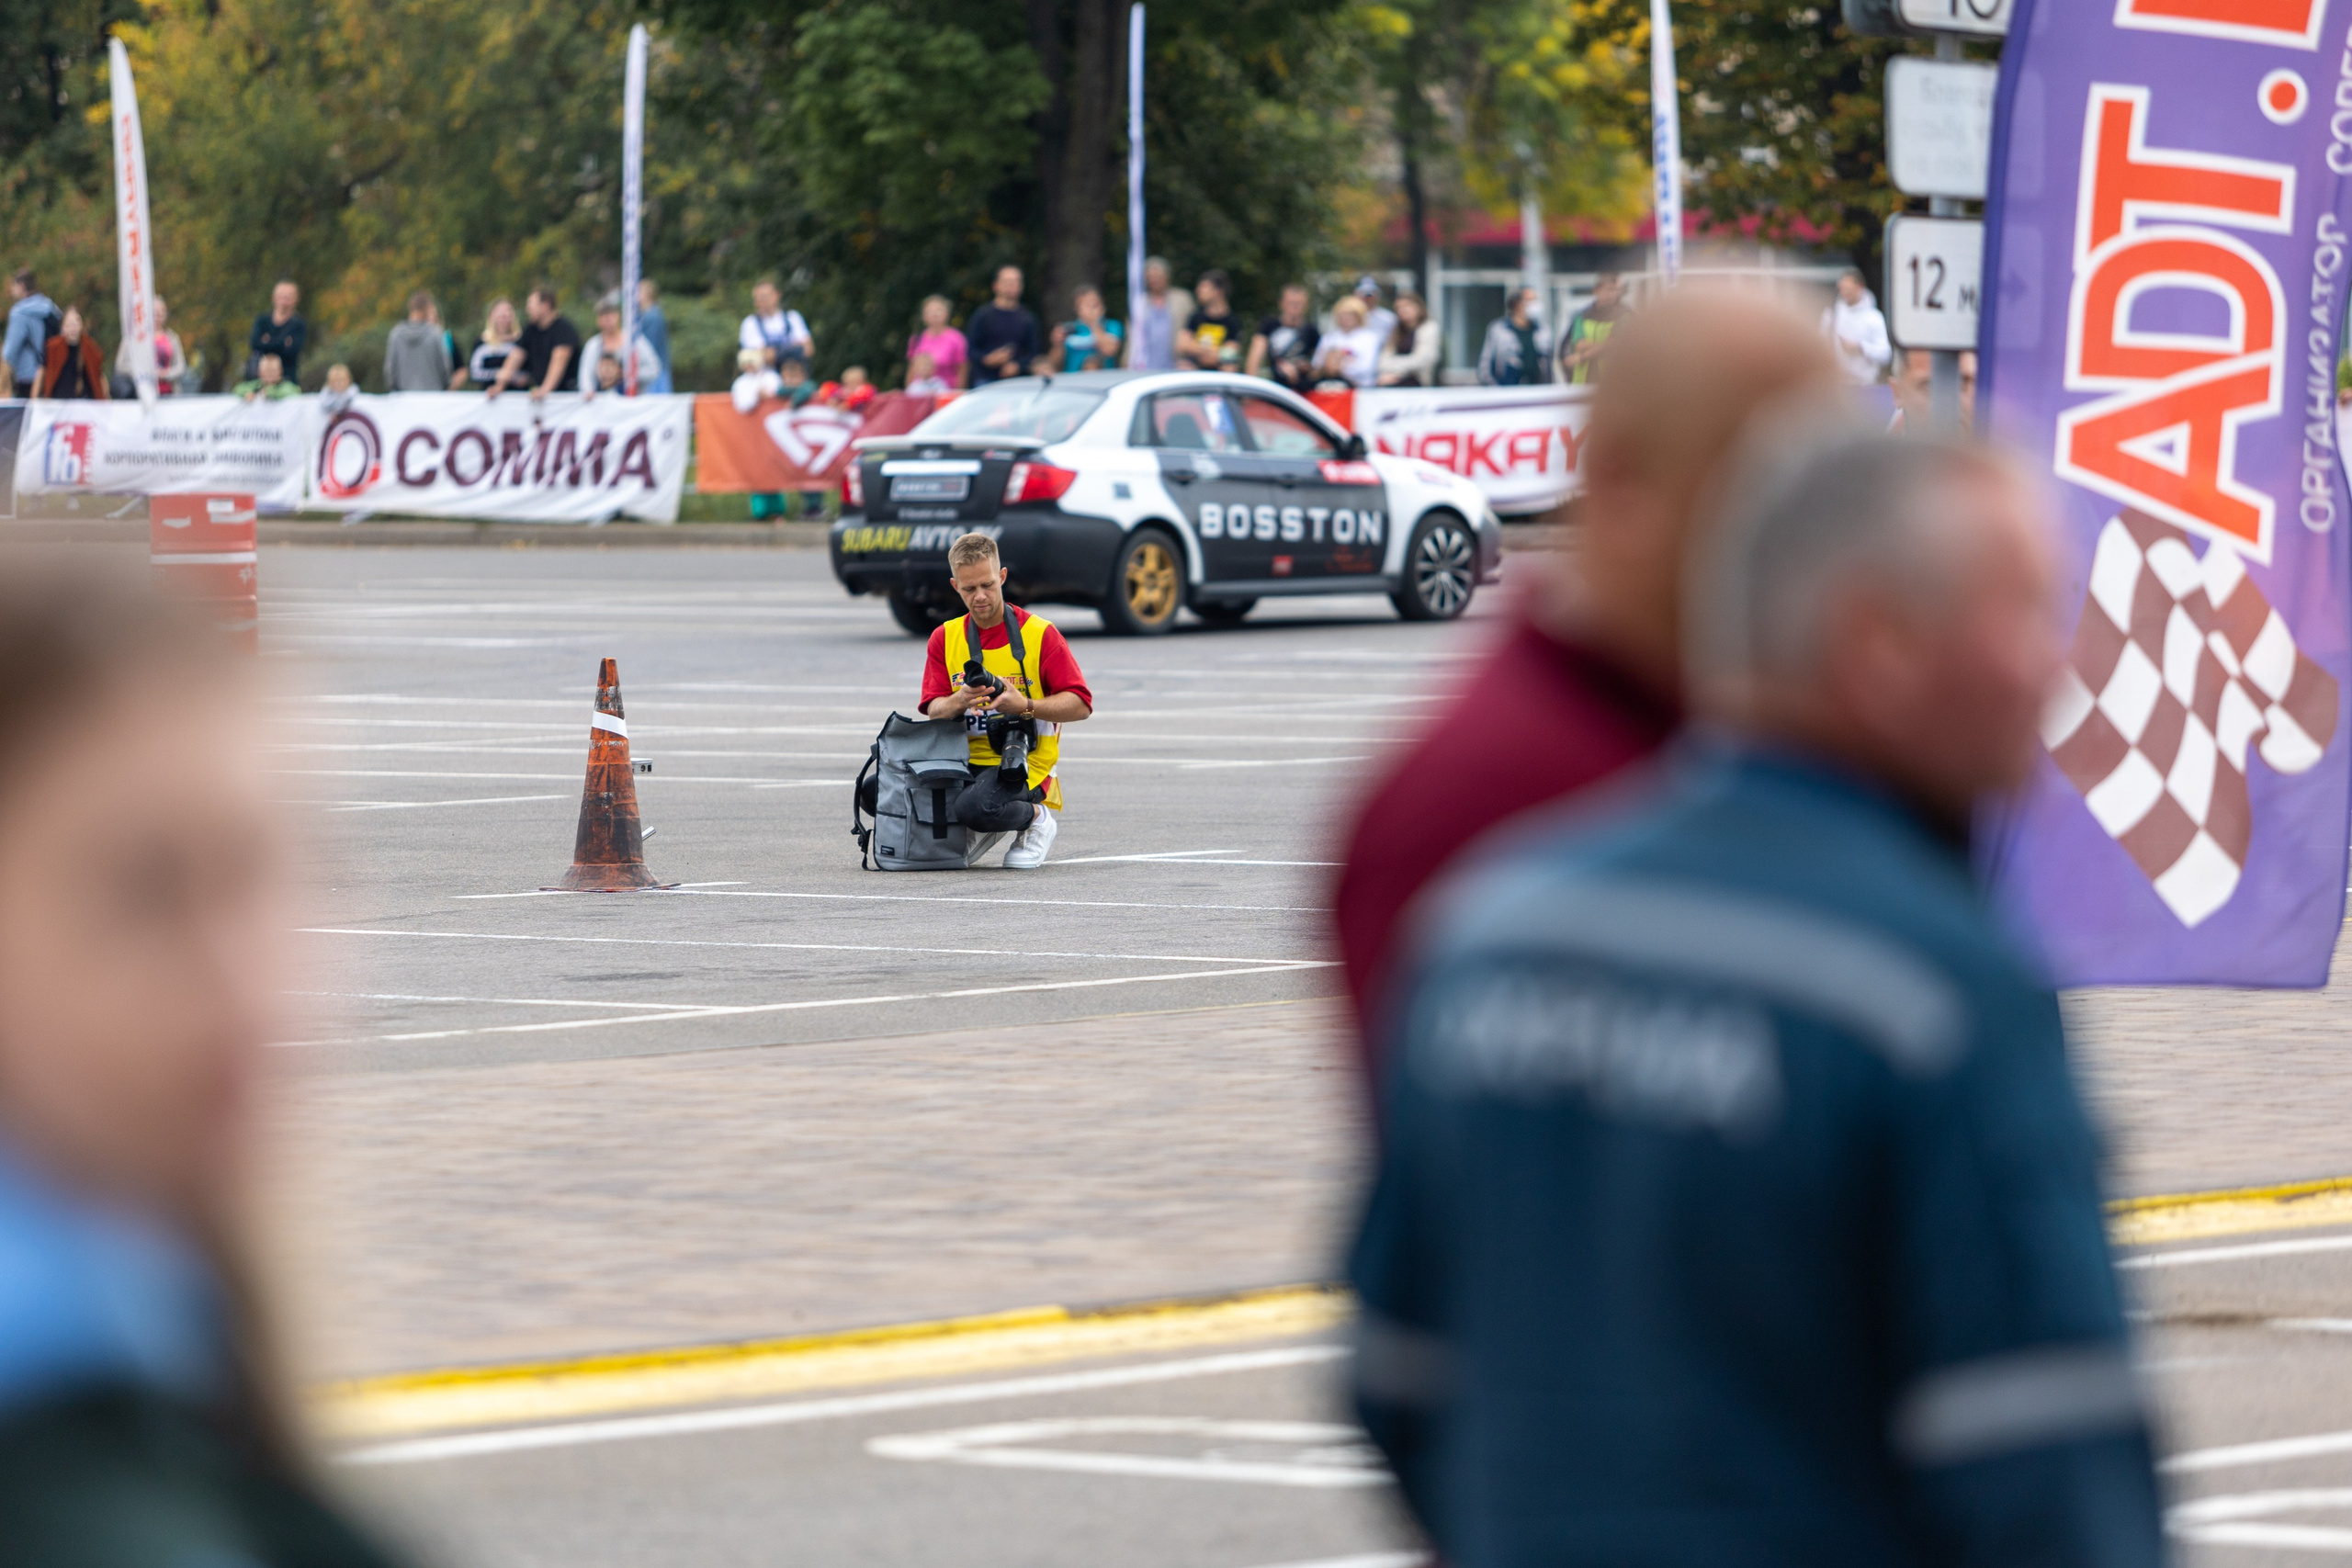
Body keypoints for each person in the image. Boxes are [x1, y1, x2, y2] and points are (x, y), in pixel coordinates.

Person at [1350, 423, 2162, 1568]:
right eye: (2025, 611)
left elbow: (1395, 1372)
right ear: (1878, 643)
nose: (2056, 662)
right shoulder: (1932, 994)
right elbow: (2053, 1474)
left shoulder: (1489, 932)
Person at [1331, 288, 1843, 1095]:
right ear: (1623, 478)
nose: (1815, 545)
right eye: (1770, 492)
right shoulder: (1479, 799)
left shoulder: (1758, 722)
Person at [0, 562, 409, 1567]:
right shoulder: (68, 1482)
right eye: (145, 892)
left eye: (264, 866)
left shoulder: (158, 1315)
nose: (243, 975)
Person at [916, 532, 1093, 870]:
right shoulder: (945, 637)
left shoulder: (1041, 634)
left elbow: (1081, 704)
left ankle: (1036, 819)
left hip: (1022, 764)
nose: (980, 596)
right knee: (876, 788)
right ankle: (970, 819)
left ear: (1002, 576)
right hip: (963, 761)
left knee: (974, 808)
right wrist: (960, 700)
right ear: (955, 586)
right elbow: (932, 708)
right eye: (969, 589)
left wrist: (1024, 705)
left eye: (987, 585)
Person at [488, 287, 580, 402]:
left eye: (531, 305)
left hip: (565, 397)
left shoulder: (564, 329)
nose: (528, 309)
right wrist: (499, 386)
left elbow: (559, 361)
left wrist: (545, 390)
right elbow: (515, 357)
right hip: (541, 396)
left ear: (545, 305)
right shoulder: (531, 329)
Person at [966, 266, 1043, 385]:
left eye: (1016, 281)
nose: (1012, 285)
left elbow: (1034, 352)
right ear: (996, 285)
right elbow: (970, 349)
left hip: (1018, 382)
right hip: (985, 381)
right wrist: (987, 359)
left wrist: (1017, 366)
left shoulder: (1028, 318)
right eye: (1007, 282)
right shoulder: (982, 315)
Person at [578, 293, 662, 398]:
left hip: (632, 402)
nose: (607, 319)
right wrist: (588, 391)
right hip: (601, 404)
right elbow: (585, 374)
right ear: (598, 320)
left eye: (610, 314)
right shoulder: (593, 345)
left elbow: (654, 369)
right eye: (603, 315)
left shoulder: (635, 341)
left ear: (618, 316)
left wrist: (626, 375)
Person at [1825, 266, 1894, 385]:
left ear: (1860, 287)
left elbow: (1885, 354)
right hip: (1838, 385)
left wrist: (1860, 347)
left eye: (1849, 289)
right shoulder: (1831, 315)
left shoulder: (1874, 317)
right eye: (1842, 289)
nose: (1845, 293)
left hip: (1866, 385)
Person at [1246, 284, 1320, 390]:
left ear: (1306, 305)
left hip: (1303, 390)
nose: (1295, 307)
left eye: (1299, 304)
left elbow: (1318, 365)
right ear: (1281, 304)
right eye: (1291, 303)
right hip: (1275, 387)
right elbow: (1254, 358)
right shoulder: (1269, 325)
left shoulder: (1311, 330)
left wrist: (1305, 367)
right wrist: (1250, 387)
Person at [112, 295, 190, 397]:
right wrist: (144, 373)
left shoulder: (172, 338)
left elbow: (180, 367)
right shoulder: (134, 337)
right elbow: (121, 365)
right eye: (155, 311)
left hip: (168, 395)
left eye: (162, 311)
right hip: (140, 395)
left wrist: (165, 375)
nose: (159, 315)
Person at [1558, 270, 1626, 385]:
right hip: (1582, 381)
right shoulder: (1582, 315)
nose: (1613, 294)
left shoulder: (1625, 315)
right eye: (1610, 289)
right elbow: (1579, 344)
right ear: (1596, 290)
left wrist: (1581, 357)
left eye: (1617, 290)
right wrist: (1607, 345)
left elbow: (1617, 345)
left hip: (1613, 382)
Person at [1125, 256, 1193, 371]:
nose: (1154, 280)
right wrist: (1127, 361)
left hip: (1178, 364)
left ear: (1167, 277)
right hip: (1144, 365)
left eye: (1158, 276)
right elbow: (1131, 336)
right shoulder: (1139, 302)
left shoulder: (1182, 299)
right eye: (1150, 277)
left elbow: (1192, 330)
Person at [382, 290, 453, 393]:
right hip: (433, 399)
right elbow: (445, 368)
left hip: (404, 399)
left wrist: (396, 391)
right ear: (428, 307)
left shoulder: (396, 335)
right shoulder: (435, 334)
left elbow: (390, 371)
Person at [1476, 288, 1549, 386]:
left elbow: (1548, 365)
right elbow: (1485, 364)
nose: (1535, 305)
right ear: (1517, 303)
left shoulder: (1542, 331)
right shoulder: (1499, 330)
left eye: (1536, 300)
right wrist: (1493, 390)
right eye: (1530, 300)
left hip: (1536, 393)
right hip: (1506, 393)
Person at [740, 278, 813, 376]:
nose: (762, 300)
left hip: (794, 377)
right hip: (765, 377)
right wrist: (792, 349)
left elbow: (808, 350)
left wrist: (775, 353)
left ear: (777, 295)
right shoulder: (750, 323)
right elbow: (758, 358)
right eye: (758, 297)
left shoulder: (792, 317)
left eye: (765, 296)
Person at [4, 270, 60, 392]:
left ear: (21, 286)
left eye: (13, 286)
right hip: (52, 372)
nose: (12, 290)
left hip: (27, 375)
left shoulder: (19, 313)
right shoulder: (51, 307)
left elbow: (9, 352)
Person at [1313, 296, 1385, 389]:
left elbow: (1367, 367)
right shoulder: (1329, 338)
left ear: (1359, 316)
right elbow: (1317, 363)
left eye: (1351, 315)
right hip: (1331, 386)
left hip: (1360, 388)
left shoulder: (1369, 338)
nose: (1346, 318)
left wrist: (1340, 366)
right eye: (1343, 315)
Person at [1179, 269, 1244, 372]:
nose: (1198, 290)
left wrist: (1196, 349)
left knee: (1229, 368)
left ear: (1218, 291)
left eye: (1204, 286)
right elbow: (1182, 345)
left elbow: (1230, 355)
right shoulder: (1195, 317)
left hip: (1218, 375)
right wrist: (1215, 351)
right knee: (1183, 365)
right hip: (1195, 371)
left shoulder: (1233, 322)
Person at [35, 309, 107, 400]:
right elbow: (42, 371)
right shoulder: (52, 348)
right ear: (63, 327)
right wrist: (34, 400)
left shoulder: (90, 348)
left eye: (75, 324)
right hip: (58, 401)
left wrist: (106, 399)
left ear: (81, 325)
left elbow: (99, 375)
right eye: (69, 325)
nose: (73, 329)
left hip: (85, 401)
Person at [1052, 285, 1124, 372]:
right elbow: (1054, 364)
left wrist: (1092, 323)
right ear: (1077, 308)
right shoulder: (1068, 329)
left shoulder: (1112, 325)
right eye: (1085, 305)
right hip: (1074, 380)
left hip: (1103, 380)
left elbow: (1109, 350)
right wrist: (1057, 344)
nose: (1090, 309)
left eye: (1094, 304)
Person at [457, 298, 523, 391]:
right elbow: (474, 373)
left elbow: (531, 372)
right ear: (492, 316)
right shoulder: (482, 342)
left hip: (517, 398)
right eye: (500, 312)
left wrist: (515, 377)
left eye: (508, 311)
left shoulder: (521, 342)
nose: (504, 315)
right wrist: (498, 374)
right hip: (489, 397)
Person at [247, 279, 305, 383]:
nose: (284, 301)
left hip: (287, 380)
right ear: (274, 298)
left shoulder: (299, 325)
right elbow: (254, 344)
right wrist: (283, 343)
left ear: (296, 299)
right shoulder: (262, 321)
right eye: (281, 296)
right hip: (258, 381)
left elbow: (293, 352)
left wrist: (267, 342)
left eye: (288, 297)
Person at [907, 295, 968, 390]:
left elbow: (962, 369)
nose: (934, 314)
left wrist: (958, 392)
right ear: (924, 316)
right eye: (930, 311)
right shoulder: (916, 339)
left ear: (947, 313)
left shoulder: (956, 338)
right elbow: (912, 369)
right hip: (920, 394)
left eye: (938, 310)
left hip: (946, 393)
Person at [1377, 292, 1439, 388]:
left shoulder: (1429, 328)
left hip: (1417, 383)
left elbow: (1422, 361)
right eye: (1399, 308)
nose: (1403, 310)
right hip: (1392, 381)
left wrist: (1397, 374)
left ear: (1418, 307)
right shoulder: (1395, 331)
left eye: (1407, 306)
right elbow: (1382, 362)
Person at [636, 277, 673, 395]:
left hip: (656, 369)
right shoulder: (646, 315)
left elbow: (648, 346)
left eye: (639, 291)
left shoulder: (652, 316)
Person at [1353, 275, 1398, 349]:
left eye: (1371, 295)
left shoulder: (1389, 318)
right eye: (1363, 294)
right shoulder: (1347, 317)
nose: (1367, 298)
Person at [232, 354, 296, 402]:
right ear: (259, 372)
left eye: (273, 371)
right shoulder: (257, 385)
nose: (270, 374)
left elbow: (294, 392)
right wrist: (248, 393)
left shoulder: (286, 385)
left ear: (280, 371)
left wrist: (270, 392)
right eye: (266, 371)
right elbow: (237, 389)